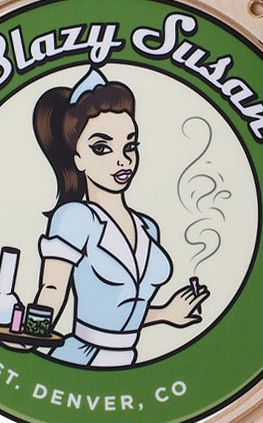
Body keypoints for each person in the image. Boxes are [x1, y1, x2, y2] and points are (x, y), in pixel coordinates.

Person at [30, 65, 208, 367]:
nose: (122, 160)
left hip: (128, 361)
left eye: (129, 146)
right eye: (102, 148)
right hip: (82, 359)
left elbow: (122, 311)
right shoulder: (75, 218)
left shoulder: (147, 227)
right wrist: (28, 335)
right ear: (78, 158)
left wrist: (166, 313)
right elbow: (52, 290)